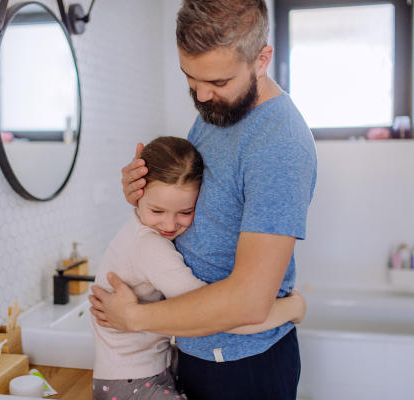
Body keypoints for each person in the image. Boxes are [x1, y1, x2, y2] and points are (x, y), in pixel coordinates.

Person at [90, 1, 317, 399]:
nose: (201, 94)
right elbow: (205, 207)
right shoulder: (219, 110)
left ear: (261, 59)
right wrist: (145, 197)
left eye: (218, 82)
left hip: (243, 364)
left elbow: (248, 303)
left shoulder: (279, 145)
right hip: (195, 348)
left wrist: (136, 318)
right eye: (189, 78)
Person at [91, 136, 307, 400]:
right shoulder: (150, 249)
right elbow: (219, 315)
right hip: (130, 382)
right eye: (157, 210)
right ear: (136, 195)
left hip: (139, 374)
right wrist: (293, 308)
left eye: (185, 211)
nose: (169, 225)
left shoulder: (138, 230)